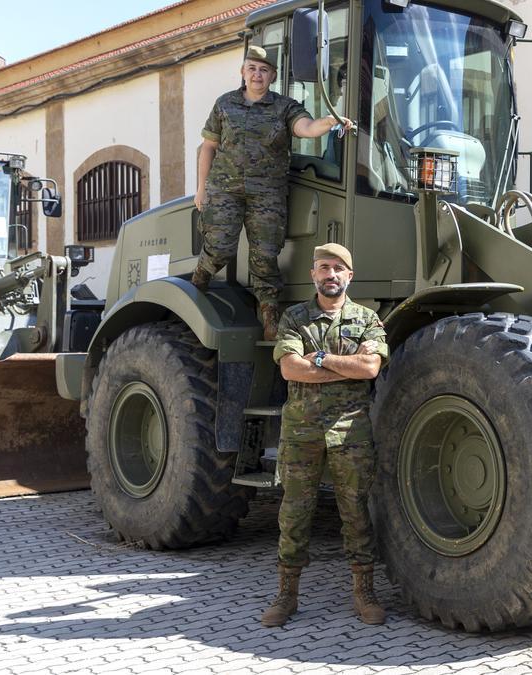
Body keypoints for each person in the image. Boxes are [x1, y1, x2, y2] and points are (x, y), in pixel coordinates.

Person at [261, 243, 388, 627]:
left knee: (357, 513)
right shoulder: (294, 318)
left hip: (351, 432)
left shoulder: (368, 318)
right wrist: (346, 367)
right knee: (295, 513)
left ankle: (364, 593)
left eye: (337, 268)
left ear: (350, 275)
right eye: (322, 267)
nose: (330, 274)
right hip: (302, 431)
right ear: (313, 274)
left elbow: (370, 369)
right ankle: (287, 594)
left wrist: (319, 358)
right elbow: (289, 370)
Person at [192, 45, 354, 339]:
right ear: (242, 72)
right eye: (252, 68)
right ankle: (200, 278)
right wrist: (201, 189)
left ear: (273, 76)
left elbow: (305, 127)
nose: (257, 75)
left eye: (264, 70)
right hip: (224, 190)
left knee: (265, 256)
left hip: (266, 194)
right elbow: (208, 147)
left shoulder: (284, 106)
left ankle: (269, 316)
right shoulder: (224, 104)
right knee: (220, 247)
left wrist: (328, 123)